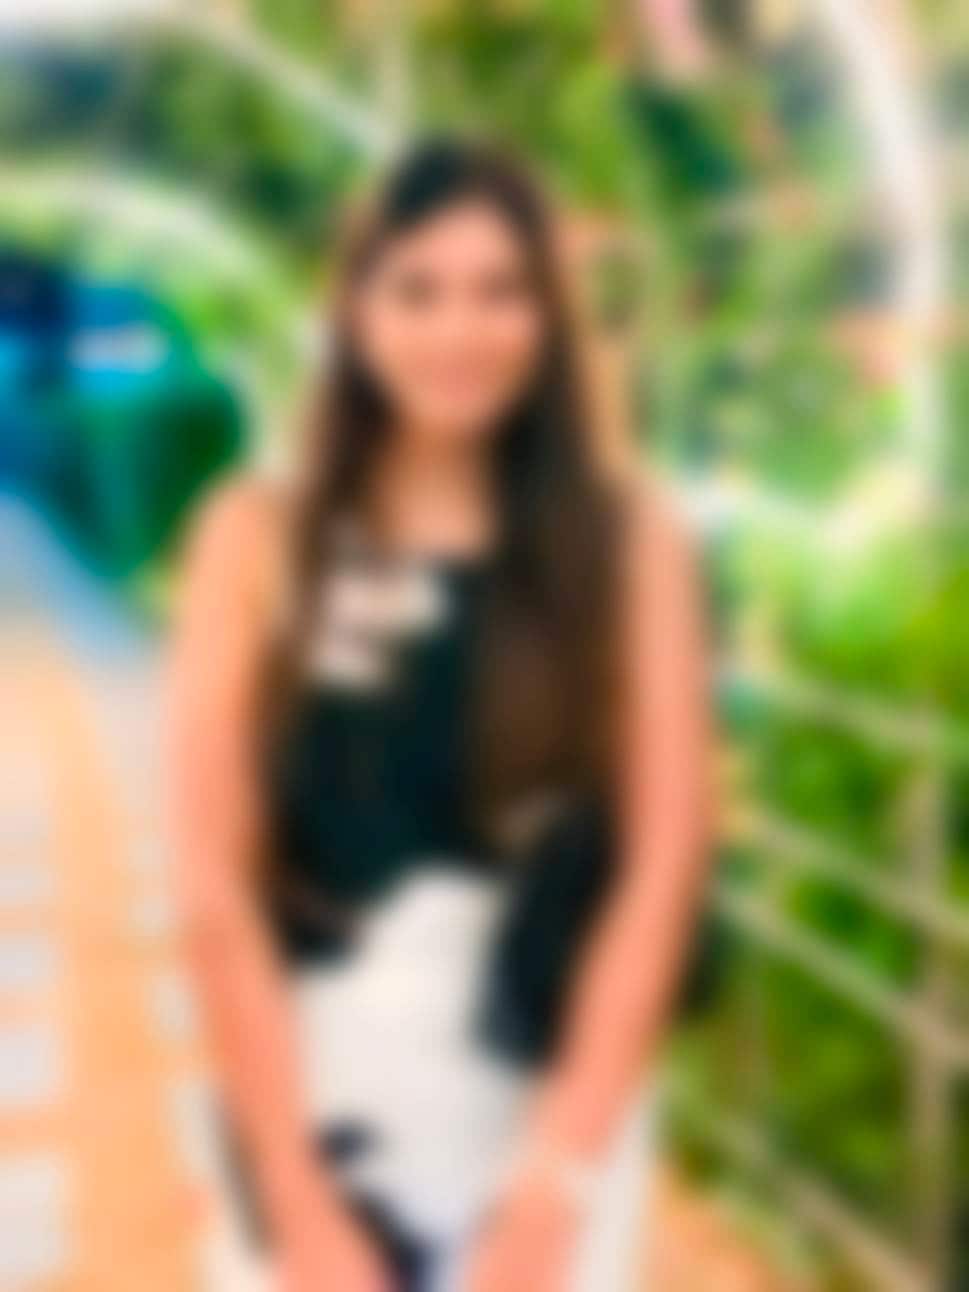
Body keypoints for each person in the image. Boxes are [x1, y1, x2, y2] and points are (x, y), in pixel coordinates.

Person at [168, 137, 711, 1292]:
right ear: (357, 309)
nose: (458, 330)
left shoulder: (628, 541)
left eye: (499, 290)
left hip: (550, 1093)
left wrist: (558, 1180)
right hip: (320, 1085)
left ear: (548, 315)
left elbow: (665, 860)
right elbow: (214, 884)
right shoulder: (255, 537)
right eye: (416, 289)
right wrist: (296, 1195)